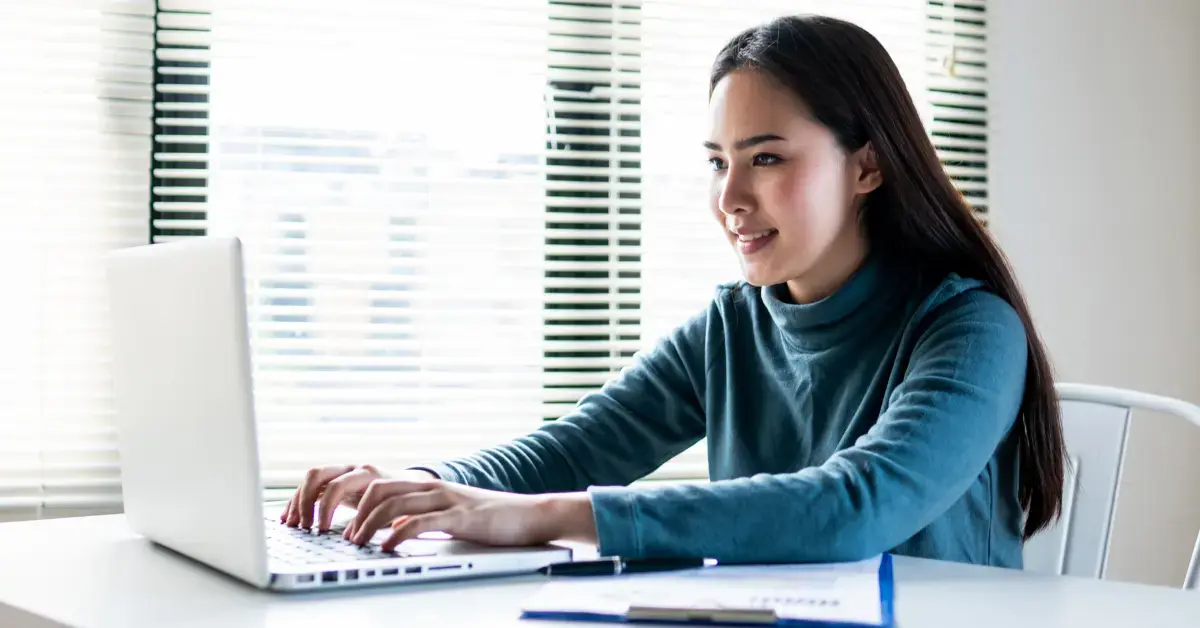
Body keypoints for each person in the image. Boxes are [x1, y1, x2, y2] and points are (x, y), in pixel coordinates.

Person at [281, 14, 1066, 568]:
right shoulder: (734, 327)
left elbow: (855, 507)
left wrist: (550, 517)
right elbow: (577, 447)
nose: (730, 198)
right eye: (718, 162)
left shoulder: (969, 330)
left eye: (765, 159)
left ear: (866, 166)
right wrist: (420, 486)